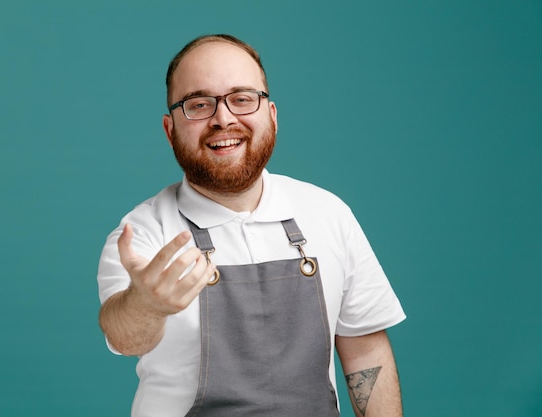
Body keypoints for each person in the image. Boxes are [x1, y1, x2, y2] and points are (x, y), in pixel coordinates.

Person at [97, 34, 406, 417]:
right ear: (169, 129)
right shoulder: (143, 232)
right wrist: (147, 304)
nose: (223, 118)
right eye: (199, 104)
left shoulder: (328, 213)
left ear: (272, 116)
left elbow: (366, 351)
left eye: (242, 99)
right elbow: (124, 335)